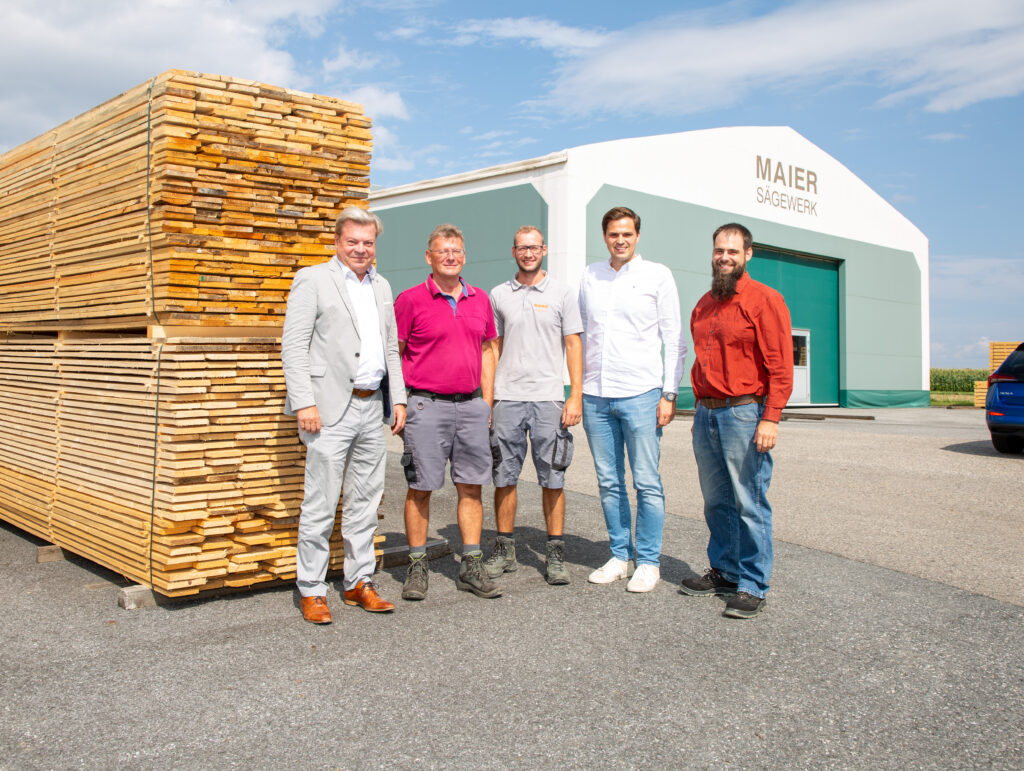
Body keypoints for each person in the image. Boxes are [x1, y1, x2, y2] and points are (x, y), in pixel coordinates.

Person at [282, 206, 407, 624]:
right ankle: (312, 589)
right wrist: (304, 402)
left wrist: (399, 399)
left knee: (365, 503)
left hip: (373, 407)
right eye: (352, 241)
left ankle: (358, 582)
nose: (360, 249)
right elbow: (294, 346)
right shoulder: (313, 279)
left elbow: (391, 347)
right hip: (330, 407)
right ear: (338, 242)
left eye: (367, 242)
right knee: (320, 502)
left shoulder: (382, 285)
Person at [680, 223, 793, 619]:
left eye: (732, 251)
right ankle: (725, 570)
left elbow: (780, 366)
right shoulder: (705, 303)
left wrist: (771, 418)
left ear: (748, 254)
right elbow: (701, 361)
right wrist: (698, 406)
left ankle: (753, 584)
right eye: (718, 251)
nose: (723, 257)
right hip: (707, 411)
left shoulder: (765, 300)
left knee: (749, 500)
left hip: (746, 412)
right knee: (716, 500)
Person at [578, 206, 686, 593]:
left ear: (637, 236)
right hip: (596, 395)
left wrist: (668, 393)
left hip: (642, 393)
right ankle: (620, 555)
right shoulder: (590, 276)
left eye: (626, 233)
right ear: (604, 237)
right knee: (609, 482)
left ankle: (649, 562)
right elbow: (579, 334)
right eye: (612, 234)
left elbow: (674, 339)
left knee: (646, 482)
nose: (619, 240)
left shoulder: (657, 275)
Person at [395, 224, 501, 600]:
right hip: (426, 405)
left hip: (471, 406)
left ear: (464, 256)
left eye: (456, 251)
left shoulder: (480, 299)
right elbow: (396, 351)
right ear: (429, 257)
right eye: (443, 251)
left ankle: (471, 565)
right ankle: (417, 565)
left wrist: (486, 401)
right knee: (420, 487)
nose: (450, 257)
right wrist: (399, 401)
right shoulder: (409, 300)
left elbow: (489, 350)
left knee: (471, 487)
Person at [483, 226, 583, 585]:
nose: (528, 253)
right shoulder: (498, 295)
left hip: (549, 399)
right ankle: (505, 549)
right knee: (503, 477)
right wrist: (488, 400)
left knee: (553, 477)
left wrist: (575, 396)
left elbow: (573, 345)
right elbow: (491, 349)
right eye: (522, 248)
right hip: (507, 398)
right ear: (514, 251)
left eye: (534, 247)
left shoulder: (562, 294)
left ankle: (555, 554)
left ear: (545, 250)